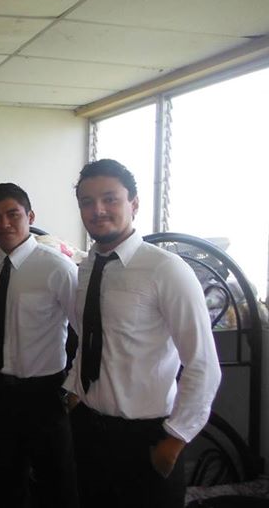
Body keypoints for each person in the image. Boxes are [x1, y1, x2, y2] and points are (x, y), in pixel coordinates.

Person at [64, 158, 221, 508]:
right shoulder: (87, 267)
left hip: (146, 435)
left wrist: (175, 439)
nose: (98, 210)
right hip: (89, 429)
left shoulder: (166, 269)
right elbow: (89, 339)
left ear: (134, 204)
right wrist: (74, 391)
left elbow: (203, 364)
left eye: (110, 199)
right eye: (87, 202)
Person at [0, 183, 79, 508]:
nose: (3, 224)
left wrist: (74, 386)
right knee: (3, 484)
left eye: (13, 214)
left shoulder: (58, 267)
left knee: (57, 485)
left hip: (45, 394)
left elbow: (84, 330)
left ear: (30, 216)